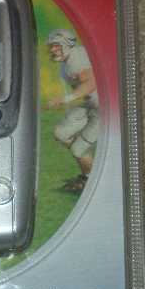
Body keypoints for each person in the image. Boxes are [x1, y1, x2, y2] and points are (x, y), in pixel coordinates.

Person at [46, 29, 98, 193]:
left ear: (67, 44)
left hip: (104, 109)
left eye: (56, 45)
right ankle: (90, 170)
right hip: (89, 105)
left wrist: (64, 99)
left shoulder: (77, 57)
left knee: (78, 149)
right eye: (51, 46)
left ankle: (90, 180)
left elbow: (91, 84)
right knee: (61, 133)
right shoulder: (65, 64)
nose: (53, 49)